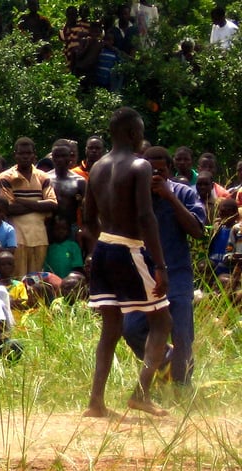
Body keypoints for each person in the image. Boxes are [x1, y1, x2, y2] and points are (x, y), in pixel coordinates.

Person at [82, 107, 172, 417]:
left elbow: (87, 220)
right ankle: (141, 394)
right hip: (130, 248)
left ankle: (96, 402)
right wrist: (160, 265)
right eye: (142, 130)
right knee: (162, 321)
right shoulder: (140, 165)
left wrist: (98, 247)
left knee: (110, 328)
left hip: (104, 248)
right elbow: (146, 217)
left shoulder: (96, 168)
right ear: (133, 133)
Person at [121, 145, 205, 388]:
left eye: (161, 168)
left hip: (177, 274)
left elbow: (198, 230)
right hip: (141, 275)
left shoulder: (185, 193)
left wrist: (169, 196)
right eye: (150, 169)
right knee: (132, 329)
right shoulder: (132, 196)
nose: (155, 174)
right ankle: (165, 362)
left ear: (168, 169)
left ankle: (181, 387)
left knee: (181, 333)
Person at [0, 137, 58, 277]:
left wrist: (21, 201)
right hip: (16, 238)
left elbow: (53, 204)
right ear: (15, 155)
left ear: (34, 155)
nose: (25, 156)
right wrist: (38, 204)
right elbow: (9, 208)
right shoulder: (6, 177)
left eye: (28, 153)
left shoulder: (43, 177)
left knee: (36, 280)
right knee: (18, 278)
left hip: (39, 237)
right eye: (21, 153)